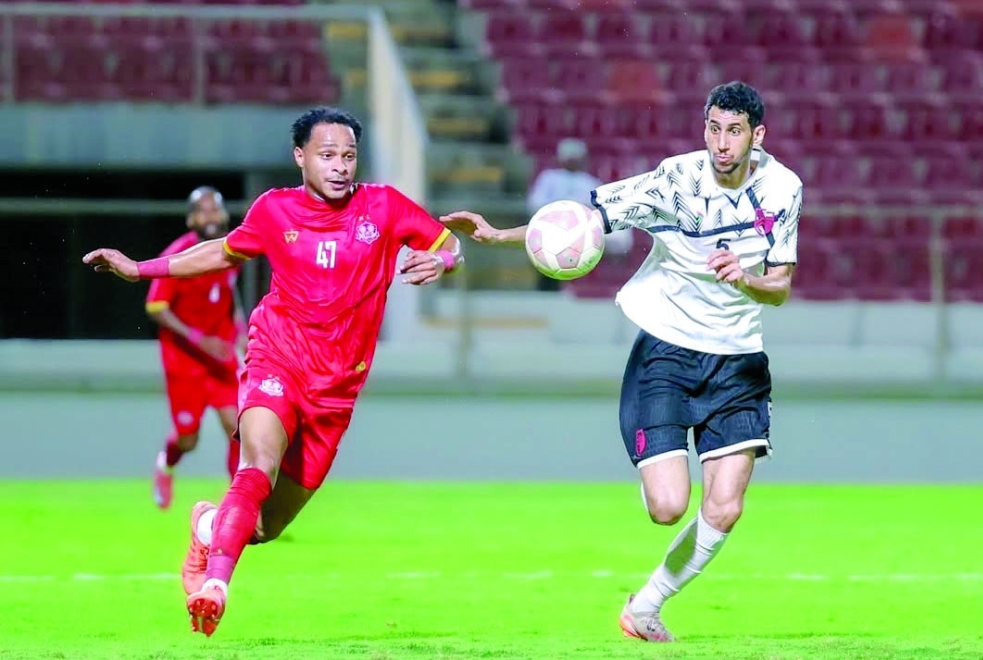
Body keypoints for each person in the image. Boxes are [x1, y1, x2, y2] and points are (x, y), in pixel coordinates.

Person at [441, 82, 803, 642]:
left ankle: (646, 607)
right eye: (713, 128)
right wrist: (499, 235)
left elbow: (779, 286)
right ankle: (653, 458)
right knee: (667, 508)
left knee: (725, 507)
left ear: (758, 135)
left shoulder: (783, 190)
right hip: (666, 349)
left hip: (737, 362)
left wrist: (748, 278)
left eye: (734, 131)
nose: (721, 143)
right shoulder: (675, 180)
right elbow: (583, 220)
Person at [83, 106, 463, 637]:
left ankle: (209, 525)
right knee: (257, 464)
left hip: (336, 392)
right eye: (327, 155)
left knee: (264, 526)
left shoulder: (384, 206)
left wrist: (443, 261)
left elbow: (447, 243)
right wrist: (139, 268)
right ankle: (216, 586)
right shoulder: (273, 211)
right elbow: (221, 252)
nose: (340, 167)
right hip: (277, 357)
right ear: (300, 157)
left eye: (349, 155)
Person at [145, 186, 247, 510]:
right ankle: (166, 463)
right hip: (185, 360)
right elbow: (156, 306)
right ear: (191, 219)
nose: (211, 215)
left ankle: (238, 504)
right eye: (203, 210)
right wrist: (197, 338)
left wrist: (241, 329)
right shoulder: (178, 255)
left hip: (221, 357)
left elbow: (230, 296)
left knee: (239, 428)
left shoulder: (232, 253)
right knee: (188, 438)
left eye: (215, 208)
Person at [526, 138, 633, 290]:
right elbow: (534, 204)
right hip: (554, 228)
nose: (572, 160)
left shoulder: (591, 182)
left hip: (584, 229)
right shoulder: (549, 178)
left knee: (618, 232)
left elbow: (600, 209)